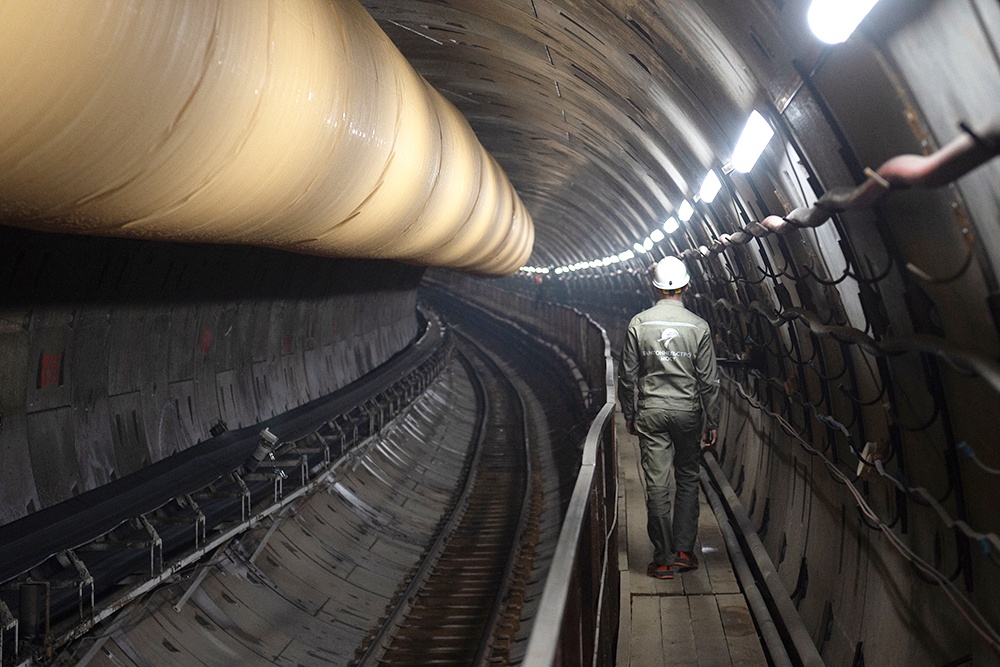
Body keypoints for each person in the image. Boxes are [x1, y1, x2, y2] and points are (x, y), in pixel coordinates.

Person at [618, 256, 721, 580]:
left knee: (657, 484)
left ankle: (662, 560)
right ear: (687, 285)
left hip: (651, 411)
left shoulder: (639, 323)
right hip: (688, 412)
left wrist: (630, 413)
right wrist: (712, 420)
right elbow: (709, 381)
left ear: (655, 286)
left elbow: (626, 376)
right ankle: (683, 552)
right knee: (688, 478)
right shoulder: (698, 326)